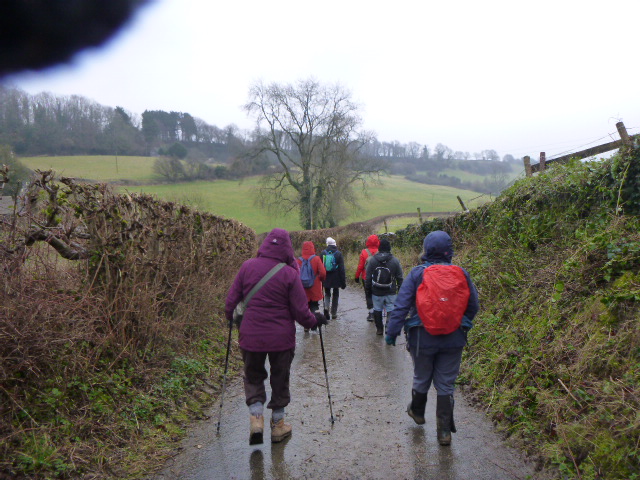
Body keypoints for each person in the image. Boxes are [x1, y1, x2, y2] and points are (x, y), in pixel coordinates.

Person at [225, 228, 327, 445]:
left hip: (251, 336)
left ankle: (256, 419)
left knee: (253, 375)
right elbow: (301, 312)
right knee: (280, 378)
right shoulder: (290, 273)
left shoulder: (247, 267)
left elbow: (231, 302)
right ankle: (278, 425)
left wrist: (231, 320)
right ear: (288, 250)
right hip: (282, 339)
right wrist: (315, 320)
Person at [384, 230, 478, 446]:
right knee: (446, 383)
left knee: (421, 376)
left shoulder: (417, 273)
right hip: (454, 339)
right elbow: (473, 306)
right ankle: (444, 432)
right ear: (449, 251)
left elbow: (401, 305)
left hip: (422, 338)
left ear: (426, 249)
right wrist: (460, 323)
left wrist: (392, 332)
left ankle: (417, 411)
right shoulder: (461, 273)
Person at [365, 237, 403, 335]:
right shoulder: (395, 261)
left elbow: (368, 277)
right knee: (391, 308)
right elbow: (400, 277)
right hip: (391, 290)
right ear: (389, 248)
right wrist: (400, 290)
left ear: (379, 247)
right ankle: (388, 326)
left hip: (376, 291)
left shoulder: (372, 260)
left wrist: (368, 291)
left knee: (377, 309)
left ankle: (379, 329)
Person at [296, 241, 327, 331]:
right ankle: (314, 324)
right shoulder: (316, 259)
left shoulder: (298, 260)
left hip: (303, 289)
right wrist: (321, 279)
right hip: (315, 287)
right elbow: (323, 273)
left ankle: (306, 326)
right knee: (314, 306)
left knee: (305, 307)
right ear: (312, 248)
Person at [354, 234, 380, 322]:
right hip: (378, 277)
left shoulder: (364, 252)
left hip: (366, 277)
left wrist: (357, 276)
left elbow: (360, 266)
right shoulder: (380, 252)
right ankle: (378, 312)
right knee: (376, 295)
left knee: (368, 294)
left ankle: (371, 313)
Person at [320, 237, 346, 319]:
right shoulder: (339, 254)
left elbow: (320, 267)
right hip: (336, 278)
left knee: (327, 294)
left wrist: (320, 279)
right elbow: (342, 269)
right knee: (336, 294)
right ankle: (334, 313)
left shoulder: (323, 253)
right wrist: (343, 282)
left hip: (326, 277)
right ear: (335, 244)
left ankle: (326, 308)